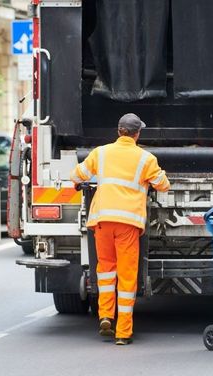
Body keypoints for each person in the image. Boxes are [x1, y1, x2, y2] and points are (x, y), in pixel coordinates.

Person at [71, 113, 170, 345]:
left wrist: (81, 181)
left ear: (118, 131)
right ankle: (123, 332)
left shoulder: (101, 153)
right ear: (137, 134)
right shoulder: (146, 159)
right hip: (127, 223)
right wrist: (157, 177)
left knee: (105, 270)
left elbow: (76, 175)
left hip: (102, 220)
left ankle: (105, 315)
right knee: (126, 276)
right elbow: (163, 185)